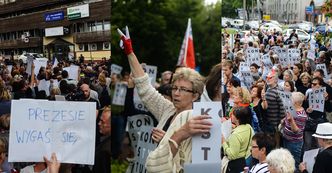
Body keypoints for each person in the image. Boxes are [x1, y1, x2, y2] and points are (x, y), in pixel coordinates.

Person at [222, 106, 254, 173]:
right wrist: (236, 126)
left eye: (233, 114)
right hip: (246, 159)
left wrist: (223, 142)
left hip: (236, 164)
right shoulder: (249, 127)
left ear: (237, 119)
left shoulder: (235, 135)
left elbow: (232, 155)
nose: (231, 115)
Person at [280, 92, 307, 169]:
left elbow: (297, 131)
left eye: (290, 99)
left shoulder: (301, 115)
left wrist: (291, 121)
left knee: (294, 164)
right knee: (288, 161)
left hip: (294, 143)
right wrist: (284, 121)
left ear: (296, 102)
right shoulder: (292, 109)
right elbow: (287, 120)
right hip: (287, 139)